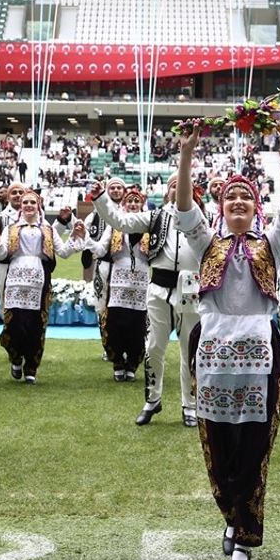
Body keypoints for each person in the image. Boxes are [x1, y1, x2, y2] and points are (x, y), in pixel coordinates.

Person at [174, 122, 280, 560]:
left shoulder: (271, 246)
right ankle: (232, 515)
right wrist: (187, 153)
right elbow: (184, 210)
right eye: (230, 198)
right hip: (211, 356)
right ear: (221, 207)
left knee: (253, 449)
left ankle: (244, 538)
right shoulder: (207, 245)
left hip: (259, 359)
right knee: (218, 447)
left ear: (255, 208)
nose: (238, 203)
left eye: (246, 197)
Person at [93, 171, 205, 426]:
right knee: (154, 347)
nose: (179, 188)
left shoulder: (202, 217)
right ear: (167, 191)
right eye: (174, 184)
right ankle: (152, 400)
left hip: (190, 287)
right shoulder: (155, 216)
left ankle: (190, 404)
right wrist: (101, 198)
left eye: (184, 183)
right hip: (159, 286)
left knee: (190, 348)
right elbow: (120, 220)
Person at [0, 190, 84, 385]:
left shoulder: (47, 229)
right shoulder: (11, 228)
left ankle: (31, 366)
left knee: (35, 326)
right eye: (25, 202)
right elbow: (1, 255)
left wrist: (74, 236)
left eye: (32, 202)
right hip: (15, 279)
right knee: (14, 323)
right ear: (21, 205)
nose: (29, 205)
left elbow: (64, 252)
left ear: (38, 203)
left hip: (39, 282)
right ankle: (15, 357)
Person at [88, 185, 150, 382]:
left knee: (138, 325)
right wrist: (86, 240)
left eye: (136, 201)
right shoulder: (115, 225)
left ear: (142, 204)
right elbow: (100, 249)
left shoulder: (150, 225)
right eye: (129, 201)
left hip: (141, 283)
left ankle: (132, 362)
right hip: (118, 282)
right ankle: (117, 362)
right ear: (124, 204)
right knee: (115, 324)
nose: (133, 204)